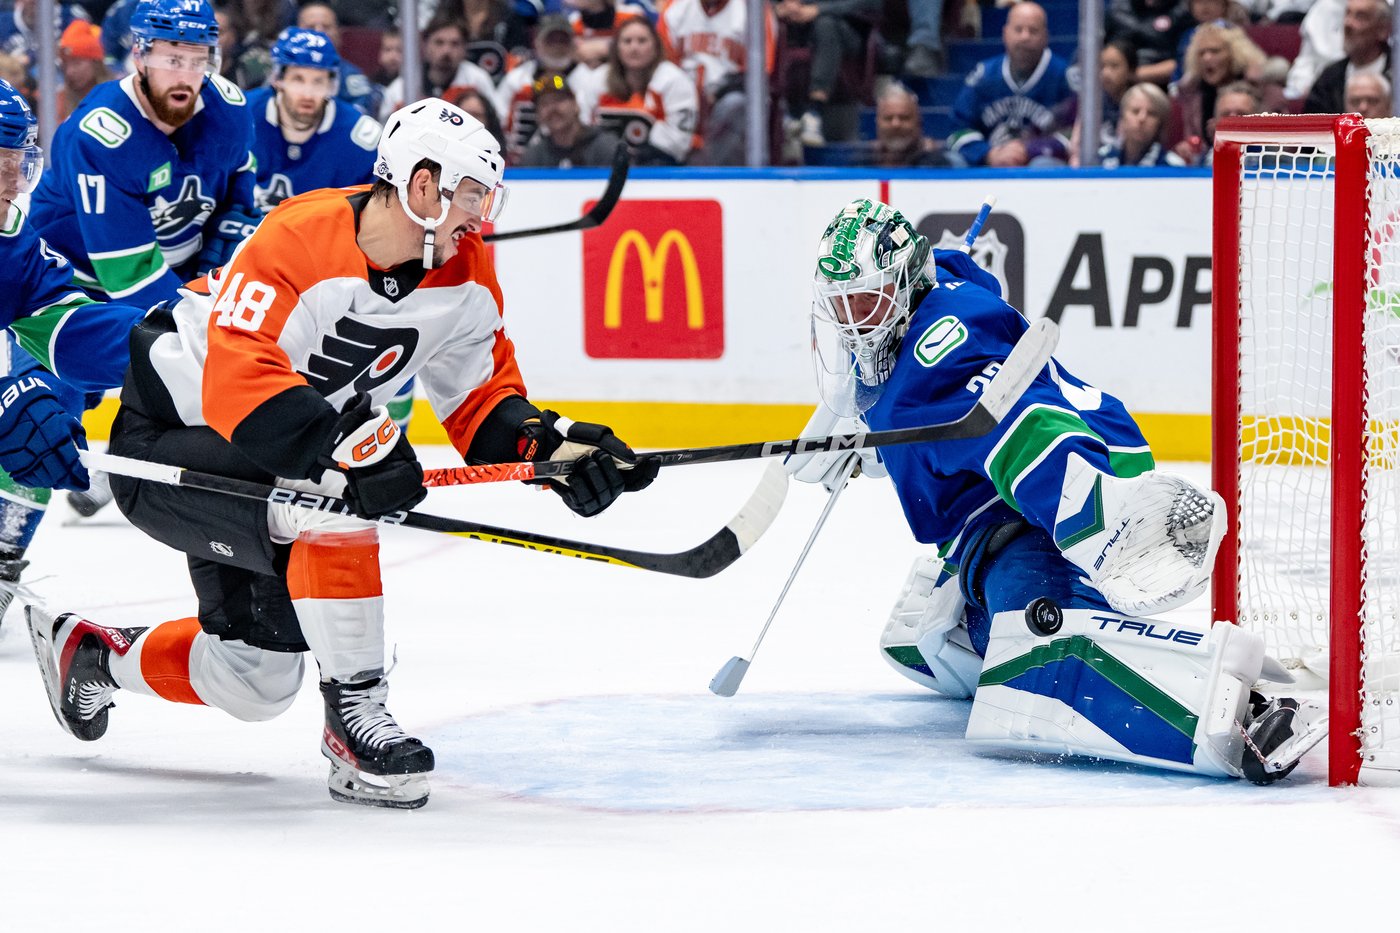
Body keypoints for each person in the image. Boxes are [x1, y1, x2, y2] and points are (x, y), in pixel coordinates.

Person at [27, 97, 659, 810]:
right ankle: (357, 721)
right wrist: (345, 450)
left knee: (255, 677)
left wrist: (550, 448)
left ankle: (90, 655)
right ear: (424, 186)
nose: (479, 217)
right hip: (169, 442)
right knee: (332, 493)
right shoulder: (300, 237)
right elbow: (239, 383)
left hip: (268, 458)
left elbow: (480, 402)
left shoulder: (465, 273)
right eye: (472, 196)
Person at [788, 197, 1325, 784]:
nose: (850, 322)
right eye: (837, 305)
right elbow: (947, 418)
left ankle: (1245, 713)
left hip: (1051, 519)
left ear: (905, 285)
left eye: (865, 303)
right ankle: (970, 610)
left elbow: (1024, 424)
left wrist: (1096, 519)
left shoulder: (937, 346)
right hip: (998, 525)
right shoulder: (931, 304)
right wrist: (878, 440)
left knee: (1036, 676)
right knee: (960, 644)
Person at [25, 0, 258, 523]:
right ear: (140, 56)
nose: (186, 74)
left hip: (177, 268)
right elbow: (130, 278)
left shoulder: (229, 106)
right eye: (172, 59)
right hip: (72, 285)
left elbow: (243, 186)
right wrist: (204, 318)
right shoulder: (102, 134)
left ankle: (126, 464)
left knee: (205, 359)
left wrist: (220, 253)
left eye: (197, 60)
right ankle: (6, 544)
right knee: (43, 418)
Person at [0, 78, 149, 625]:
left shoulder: (9, 242)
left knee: (35, 400)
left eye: (21, 164)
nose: (15, 185)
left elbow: (63, 321)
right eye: (0, 164)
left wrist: (167, 339)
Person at [247, 28, 381, 214]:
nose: (308, 94)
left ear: (331, 85)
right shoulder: (242, 114)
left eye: (318, 81)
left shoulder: (358, 137)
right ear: (278, 79)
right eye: (298, 79)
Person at [948, 2, 1073, 168]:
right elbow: (958, 129)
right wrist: (988, 154)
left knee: (1042, 165)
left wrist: (1030, 150)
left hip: (1039, 169)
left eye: (1033, 31)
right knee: (953, 161)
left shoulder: (1063, 76)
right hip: (989, 167)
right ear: (1005, 33)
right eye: (1018, 29)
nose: (1025, 37)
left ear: (1045, 36)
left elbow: (1076, 132)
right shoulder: (984, 75)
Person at [660, 0, 775, 166]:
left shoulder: (752, 11)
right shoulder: (675, 8)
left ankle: (716, 175)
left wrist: (721, 89)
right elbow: (662, 64)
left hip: (729, 93)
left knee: (735, 105)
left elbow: (760, 71)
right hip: (682, 93)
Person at [576, 16, 697, 166]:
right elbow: (581, 124)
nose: (634, 48)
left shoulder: (674, 80)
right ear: (617, 48)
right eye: (627, 41)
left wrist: (636, 157)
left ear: (656, 46)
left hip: (658, 167)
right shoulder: (598, 79)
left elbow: (679, 141)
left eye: (642, 41)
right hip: (602, 164)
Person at [773, 0, 882, 147]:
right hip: (799, 32)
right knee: (766, 29)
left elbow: (870, 4)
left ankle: (814, 112)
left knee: (826, 24)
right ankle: (780, 112)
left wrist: (819, 9)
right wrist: (780, 8)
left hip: (847, 30)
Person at [495, 14, 592, 161]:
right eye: (551, 40)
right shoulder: (516, 80)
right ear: (537, 43)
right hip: (517, 165)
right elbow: (498, 122)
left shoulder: (589, 80)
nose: (557, 46)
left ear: (574, 44)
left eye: (563, 40)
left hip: (578, 161)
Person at [377, 15, 495, 122]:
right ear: (425, 45)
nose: (446, 51)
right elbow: (385, 130)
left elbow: (496, 125)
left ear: (464, 48)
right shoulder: (402, 87)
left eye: (455, 44)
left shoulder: (478, 81)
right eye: (439, 43)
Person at [1304, 0, 1392, 115]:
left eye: (1360, 16)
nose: (1348, 23)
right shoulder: (1328, 79)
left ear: (1383, 29)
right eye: (1347, 14)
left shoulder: (1396, 74)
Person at [521, 70, 622, 167]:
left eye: (558, 100)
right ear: (538, 115)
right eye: (544, 104)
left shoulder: (605, 147)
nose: (552, 109)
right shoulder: (534, 157)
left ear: (576, 105)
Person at [295, 2, 378, 115]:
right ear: (295, 33)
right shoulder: (282, 72)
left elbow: (361, 118)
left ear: (338, 33)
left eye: (326, 26)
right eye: (311, 27)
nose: (319, 32)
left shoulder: (351, 76)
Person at [859, 81, 958, 168]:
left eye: (904, 118)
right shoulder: (862, 161)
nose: (896, 124)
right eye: (888, 118)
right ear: (877, 123)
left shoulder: (937, 164)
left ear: (919, 122)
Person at [1106, 0, 1193, 87]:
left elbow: (1183, 61)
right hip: (1118, 83)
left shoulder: (1181, 11)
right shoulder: (1118, 9)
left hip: (1163, 86)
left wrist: (1135, 75)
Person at [1099, 82, 1186, 167]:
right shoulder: (1098, 159)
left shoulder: (1173, 167)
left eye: (1151, 113)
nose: (1142, 118)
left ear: (1160, 123)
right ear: (1122, 117)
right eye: (1135, 111)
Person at [56, 20, 112, 121]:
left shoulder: (117, 97)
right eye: (65, 64)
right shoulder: (58, 101)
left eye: (77, 63)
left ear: (95, 63)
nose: (70, 71)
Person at [566, 0, 649, 68]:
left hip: (628, 74)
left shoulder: (631, 15)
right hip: (590, 76)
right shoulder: (573, 22)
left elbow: (647, 47)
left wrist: (608, 48)